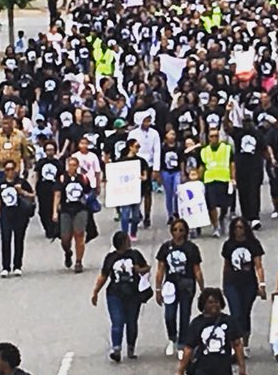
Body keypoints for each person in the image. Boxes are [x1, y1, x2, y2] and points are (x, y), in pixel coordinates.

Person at [92, 231, 151, 363]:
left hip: (133, 295)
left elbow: (146, 267)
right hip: (115, 294)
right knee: (117, 321)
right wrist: (96, 291)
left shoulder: (135, 255)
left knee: (131, 322)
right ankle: (116, 349)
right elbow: (104, 275)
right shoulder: (111, 258)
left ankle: (131, 347)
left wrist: (139, 270)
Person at [155, 219, 204, 357]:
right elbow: (160, 269)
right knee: (169, 315)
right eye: (175, 230)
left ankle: (183, 343)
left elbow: (197, 269)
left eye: (181, 230)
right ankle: (172, 338)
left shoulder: (191, 248)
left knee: (184, 315)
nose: (178, 233)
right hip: (170, 285)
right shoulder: (166, 248)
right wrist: (158, 289)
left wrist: (202, 288)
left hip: (187, 284)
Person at [220, 217, 267, 350]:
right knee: (235, 313)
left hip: (249, 284)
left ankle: (245, 343)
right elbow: (226, 265)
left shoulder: (253, 244)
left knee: (245, 313)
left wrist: (261, 284)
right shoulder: (229, 245)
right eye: (235, 228)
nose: (238, 230)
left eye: (241, 227)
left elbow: (258, 266)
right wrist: (224, 284)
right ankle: (235, 344)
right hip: (232, 283)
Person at [0, 160, 36, 278]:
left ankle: (17, 265)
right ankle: (5, 266)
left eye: (12, 169)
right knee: (6, 239)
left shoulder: (22, 182)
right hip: (6, 214)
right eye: (7, 170)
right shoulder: (1, 184)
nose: (10, 172)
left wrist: (22, 192)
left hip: (20, 214)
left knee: (19, 239)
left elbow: (33, 196)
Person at [53, 155, 91, 271]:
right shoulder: (62, 179)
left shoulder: (82, 178)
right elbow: (57, 195)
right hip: (66, 209)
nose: (72, 168)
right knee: (65, 237)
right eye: (70, 165)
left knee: (79, 235)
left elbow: (89, 192)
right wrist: (55, 211)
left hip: (80, 209)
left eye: (74, 165)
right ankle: (68, 252)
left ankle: (79, 261)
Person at [199, 127, 235, 237]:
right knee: (212, 205)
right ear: (208, 138)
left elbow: (232, 164)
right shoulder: (204, 151)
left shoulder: (226, 149)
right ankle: (216, 226)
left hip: (224, 179)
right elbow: (201, 166)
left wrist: (233, 178)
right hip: (210, 180)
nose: (214, 138)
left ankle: (222, 218)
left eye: (216, 136)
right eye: (212, 136)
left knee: (225, 205)